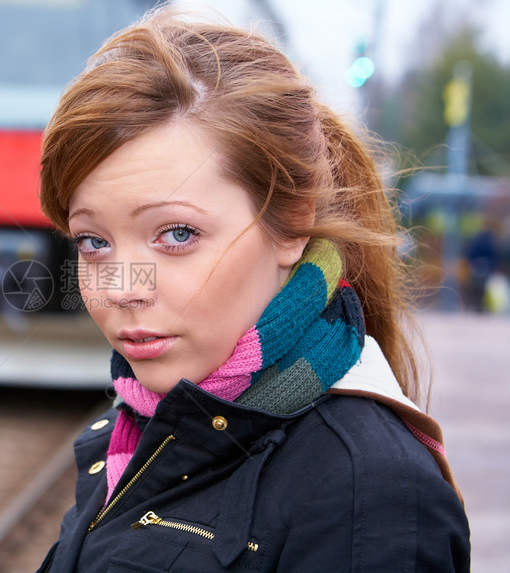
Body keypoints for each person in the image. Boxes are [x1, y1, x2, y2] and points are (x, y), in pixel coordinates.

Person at [36, 5, 470, 572]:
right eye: (93, 242)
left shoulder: (368, 493)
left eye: (176, 233)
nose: (123, 287)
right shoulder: (134, 433)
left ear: (290, 223)